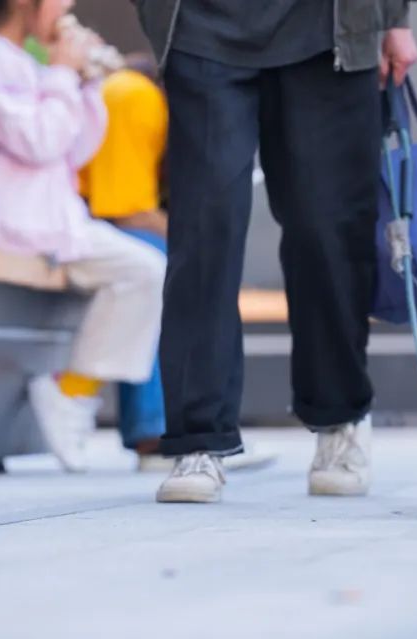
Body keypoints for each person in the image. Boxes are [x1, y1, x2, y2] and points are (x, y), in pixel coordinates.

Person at [131, 0, 417, 503]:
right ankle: (199, 439)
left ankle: (339, 418)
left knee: (326, 231)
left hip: (329, 31)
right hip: (201, 28)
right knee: (204, 231)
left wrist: (393, 17)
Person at [0, 0, 166, 473]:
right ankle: (69, 394)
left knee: (146, 270)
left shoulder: (24, 63)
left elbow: (75, 146)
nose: (69, 10)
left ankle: (71, 391)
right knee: (143, 270)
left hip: (49, 223)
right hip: (9, 223)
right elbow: (36, 141)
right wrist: (63, 75)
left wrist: (85, 84)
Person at [77, 56, 275, 473]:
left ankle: (173, 428)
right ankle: (159, 432)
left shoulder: (144, 97)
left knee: (178, 260)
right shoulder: (134, 95)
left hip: (82, 224)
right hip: (73, 226)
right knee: (168, 264)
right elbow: (122, 209)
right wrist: (201, 240)